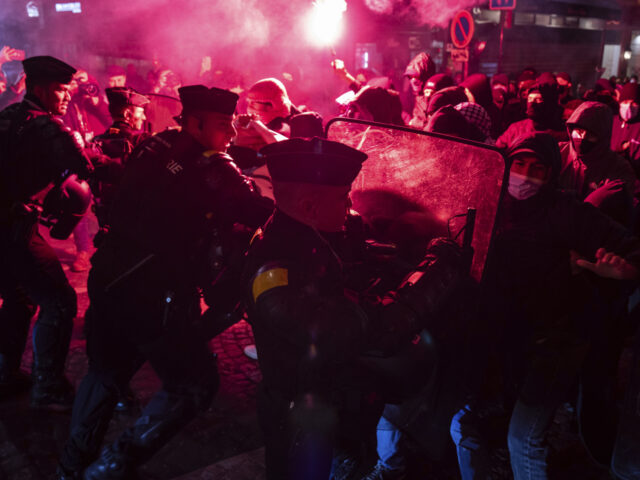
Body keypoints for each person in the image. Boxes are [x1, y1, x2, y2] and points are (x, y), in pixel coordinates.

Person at [56, 85, 273, 479]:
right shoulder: (212, 167)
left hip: (109, 276)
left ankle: (73, 464)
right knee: (194, 383)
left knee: (105, 373)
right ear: (194, 122)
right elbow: (259, 210)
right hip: (155, 292)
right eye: (224, 125)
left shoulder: (157, 144)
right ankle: (111, 468)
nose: (232, 134)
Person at [244, 136, 469, 479]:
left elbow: (348, 261)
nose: (348, 206)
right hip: (303, 417)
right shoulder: (277, 273)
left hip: (331, 402)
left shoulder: (304, 234)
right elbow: (379, 330)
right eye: (341, 198)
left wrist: (399, 254)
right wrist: (438, 268)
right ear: (309, 207)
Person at [450, 132, 640, 480]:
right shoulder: (487, 203)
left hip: (555, 339)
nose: (524, 176)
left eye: (537, 169)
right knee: (463, 421)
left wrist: (621, 269)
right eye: (518, 164)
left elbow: (627, 246)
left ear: (550, 175)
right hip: (497, 336)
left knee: (523, 438)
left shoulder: (566, 210)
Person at [0, 55, 93, 409]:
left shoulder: (8, 116)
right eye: (60, 89)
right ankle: (48, 388)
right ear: (39, 89)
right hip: (18, 228)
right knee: (59, 301)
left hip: (3, 227)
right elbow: (84, 167)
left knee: (18, 298)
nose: (67, 96)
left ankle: (5, 374)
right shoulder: (47, 127)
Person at [91, 86, 150, 245]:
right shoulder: (141, 141)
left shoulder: (96, 140)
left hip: (104, 215)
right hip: (132, 217)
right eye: (141, 112)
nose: (144, 117)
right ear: (127, 114)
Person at [558, 101, 637, 198]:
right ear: (571, 130)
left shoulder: (619, 168)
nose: (582, 138)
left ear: (602, 138)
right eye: (579, 131)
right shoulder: (558, 152)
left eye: (591, 135)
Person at [611, 82, 640, 177]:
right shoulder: (611, 121)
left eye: (634, 103)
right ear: (620, 103)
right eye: (625, 102)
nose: (628, 107)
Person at [403, 52, 436, 129]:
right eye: (410, 77)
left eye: (416, 76)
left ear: (425, 76)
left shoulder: (434, 98)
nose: (413, 80)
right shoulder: (416, 95)